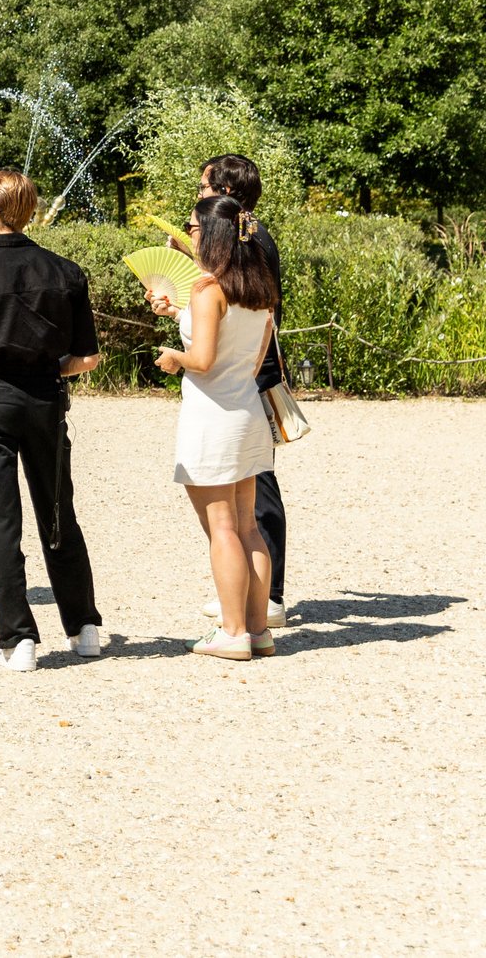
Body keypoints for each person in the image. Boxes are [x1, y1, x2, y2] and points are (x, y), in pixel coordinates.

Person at [0, 170, 106, 672]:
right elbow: (87, 358)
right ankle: (84, 626)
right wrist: (49, 365)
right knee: (58, 512)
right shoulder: (64, 271)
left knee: (1, 518)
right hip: (46, 399)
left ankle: (18, 637)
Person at [153, 193, 281, 660]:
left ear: (212, 235)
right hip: (246, 412)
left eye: (192, 228)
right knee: (248, 527)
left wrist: (174, 358)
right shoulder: (259, 287)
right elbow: (251, 356)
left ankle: (230, 632)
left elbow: (203, 360)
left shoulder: (209, 289)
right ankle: (257, 629)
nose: (188, 234)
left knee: (222, 527)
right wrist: (178, 314)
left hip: (211, 418)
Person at [189, 154, 289, 625]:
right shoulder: (253, 260)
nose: (201, 198)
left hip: (231, 391)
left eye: (205, 190)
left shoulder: (231, 264)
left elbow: (208, 355)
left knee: (232, 519)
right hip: (248, 384)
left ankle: (249, 612)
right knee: (247, 517)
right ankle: (255, 613)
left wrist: (176, 357)